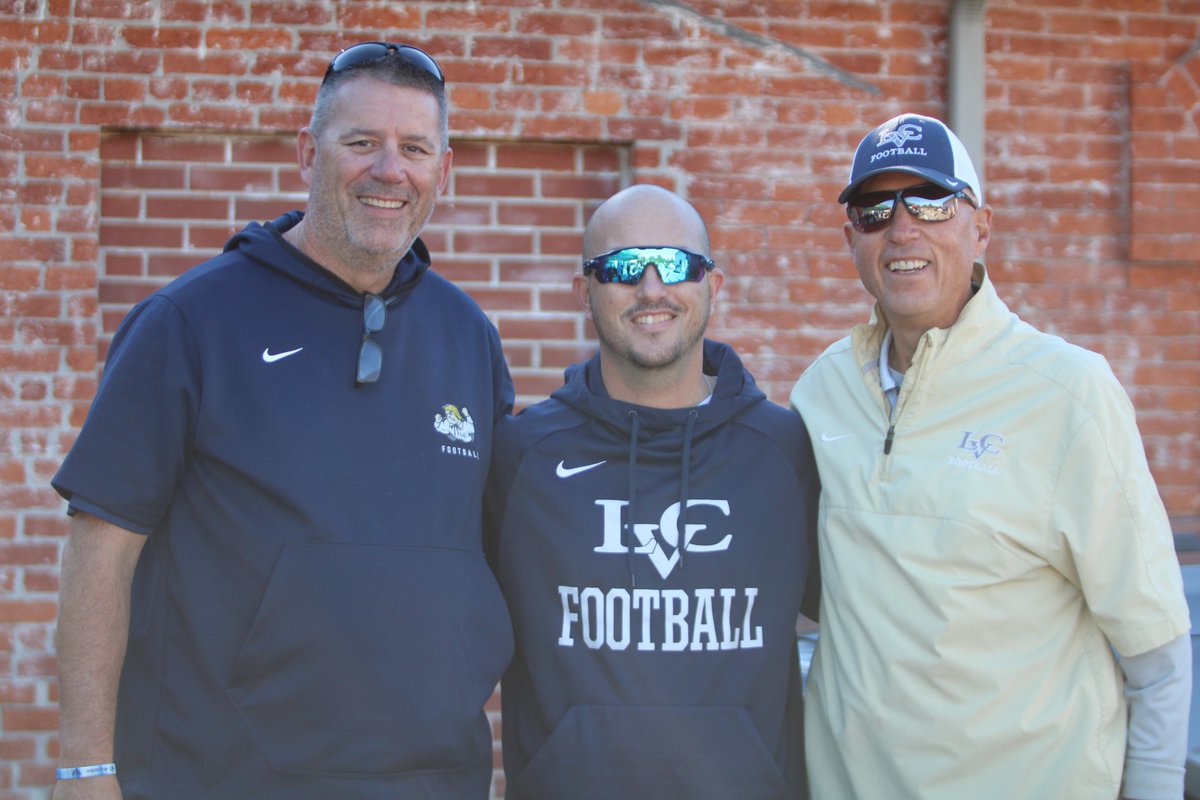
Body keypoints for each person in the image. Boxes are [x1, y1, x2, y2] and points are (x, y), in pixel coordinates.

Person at [51, 42, 514, 800]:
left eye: (414, 149)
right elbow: (100, 550)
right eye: (361, 142)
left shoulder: (468, 335)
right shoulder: (188, 323)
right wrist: (86, 767)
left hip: (432, 780)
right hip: (223, 775)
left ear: (444, 170)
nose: (388, 170)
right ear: (309, 152)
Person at [790, 112, 1192, 800]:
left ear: (980, 228)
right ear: (851, 237)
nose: (902, 228)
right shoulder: (820, 392)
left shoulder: (1067, 392)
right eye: (875, 208)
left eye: (931, 201)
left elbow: (1157, 653)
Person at [485, 184, 820, 799]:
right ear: (584, 290)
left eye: (674, 264)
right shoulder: (521, 457)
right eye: (620, 268)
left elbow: (861, 625)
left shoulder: (786, 454)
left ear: (712, 285)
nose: (650, 288)